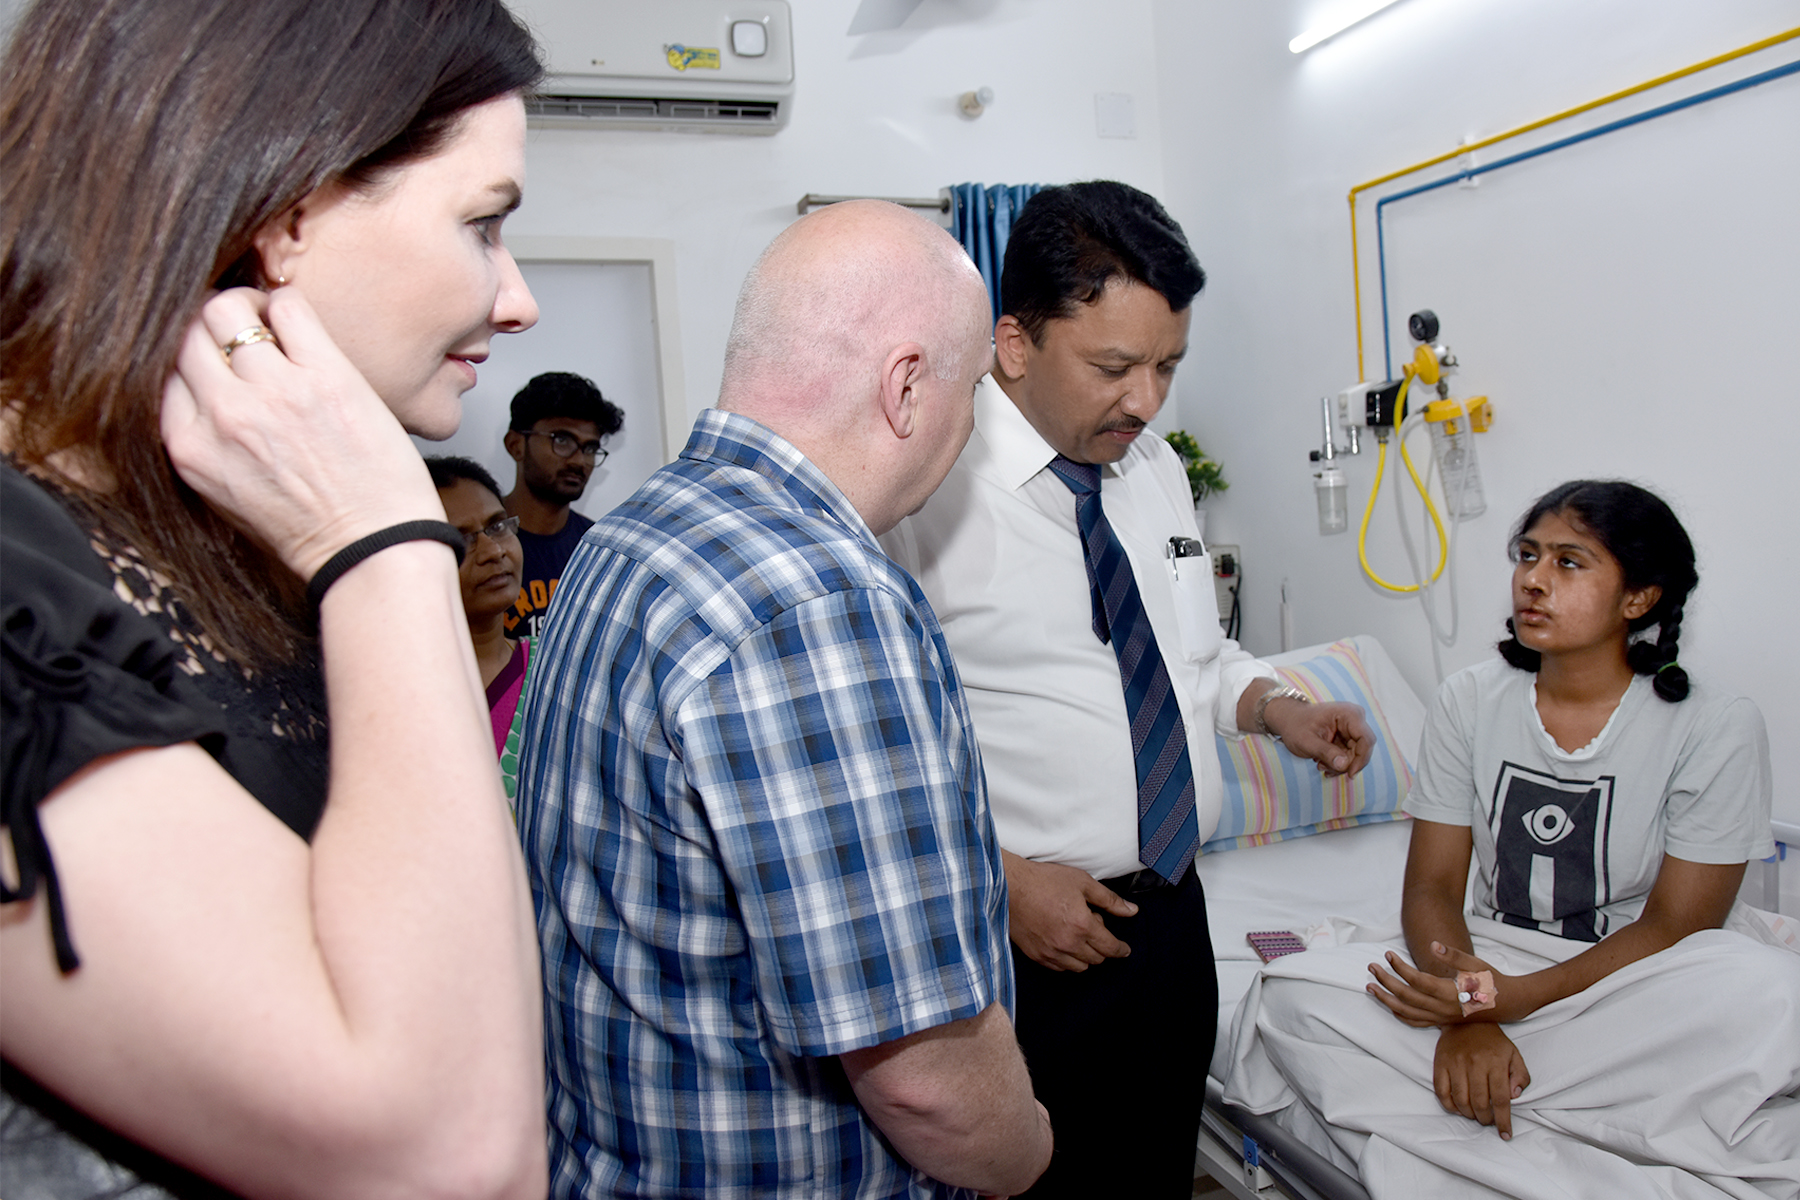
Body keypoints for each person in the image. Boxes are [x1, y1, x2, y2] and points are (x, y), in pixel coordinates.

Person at [0, 2, 549, 1197]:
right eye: (484, 226)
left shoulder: (256, 551)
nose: (517, 301)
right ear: (288, 217)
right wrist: (388, 544)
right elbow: (448, 1159)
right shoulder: (20, 580)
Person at [516, 199, 1054, 1199]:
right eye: (972, 390)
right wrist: (1028, 1154)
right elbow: (921, 1075)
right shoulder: (817, 602)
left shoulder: (631, 536)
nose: (970, 425)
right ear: (905, 386)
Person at [881, 180, 1374, 1199]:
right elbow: (871, 746)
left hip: (1172, 922)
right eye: (1115, 366)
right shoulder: (921, 491)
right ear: (1013, 343)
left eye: (1167, 366)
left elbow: (1191, 662)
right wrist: (1003, 881)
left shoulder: (1150, 472)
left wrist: (1277, 708)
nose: (1147, 401)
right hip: (1017, 944)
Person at [1222, 481, 1800, 1197]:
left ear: (1639, 599)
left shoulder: (1715, 727)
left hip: (1631, 986)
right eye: (1527, 555)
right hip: (1489, 958)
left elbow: (1678, 926)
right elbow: (1432, 887)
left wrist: (1509, 1004)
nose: (1532, 578)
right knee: (1290, 998)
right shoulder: (1471, 699)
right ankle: (1570, 1139)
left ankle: (1486, 1134)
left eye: (1568, 562)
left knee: (1774, 993)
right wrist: (1467, 1009)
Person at [427, 456, 531, 805]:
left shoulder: (555, 669)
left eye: (497, 526)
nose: (492, 551)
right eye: (461, 540)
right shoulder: (397, 692)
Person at [501, 370, 624, 639]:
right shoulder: (479, 543)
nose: (579, 461)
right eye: (562, 440)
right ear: (516, 445)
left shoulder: (599, 550)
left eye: (590, 448)